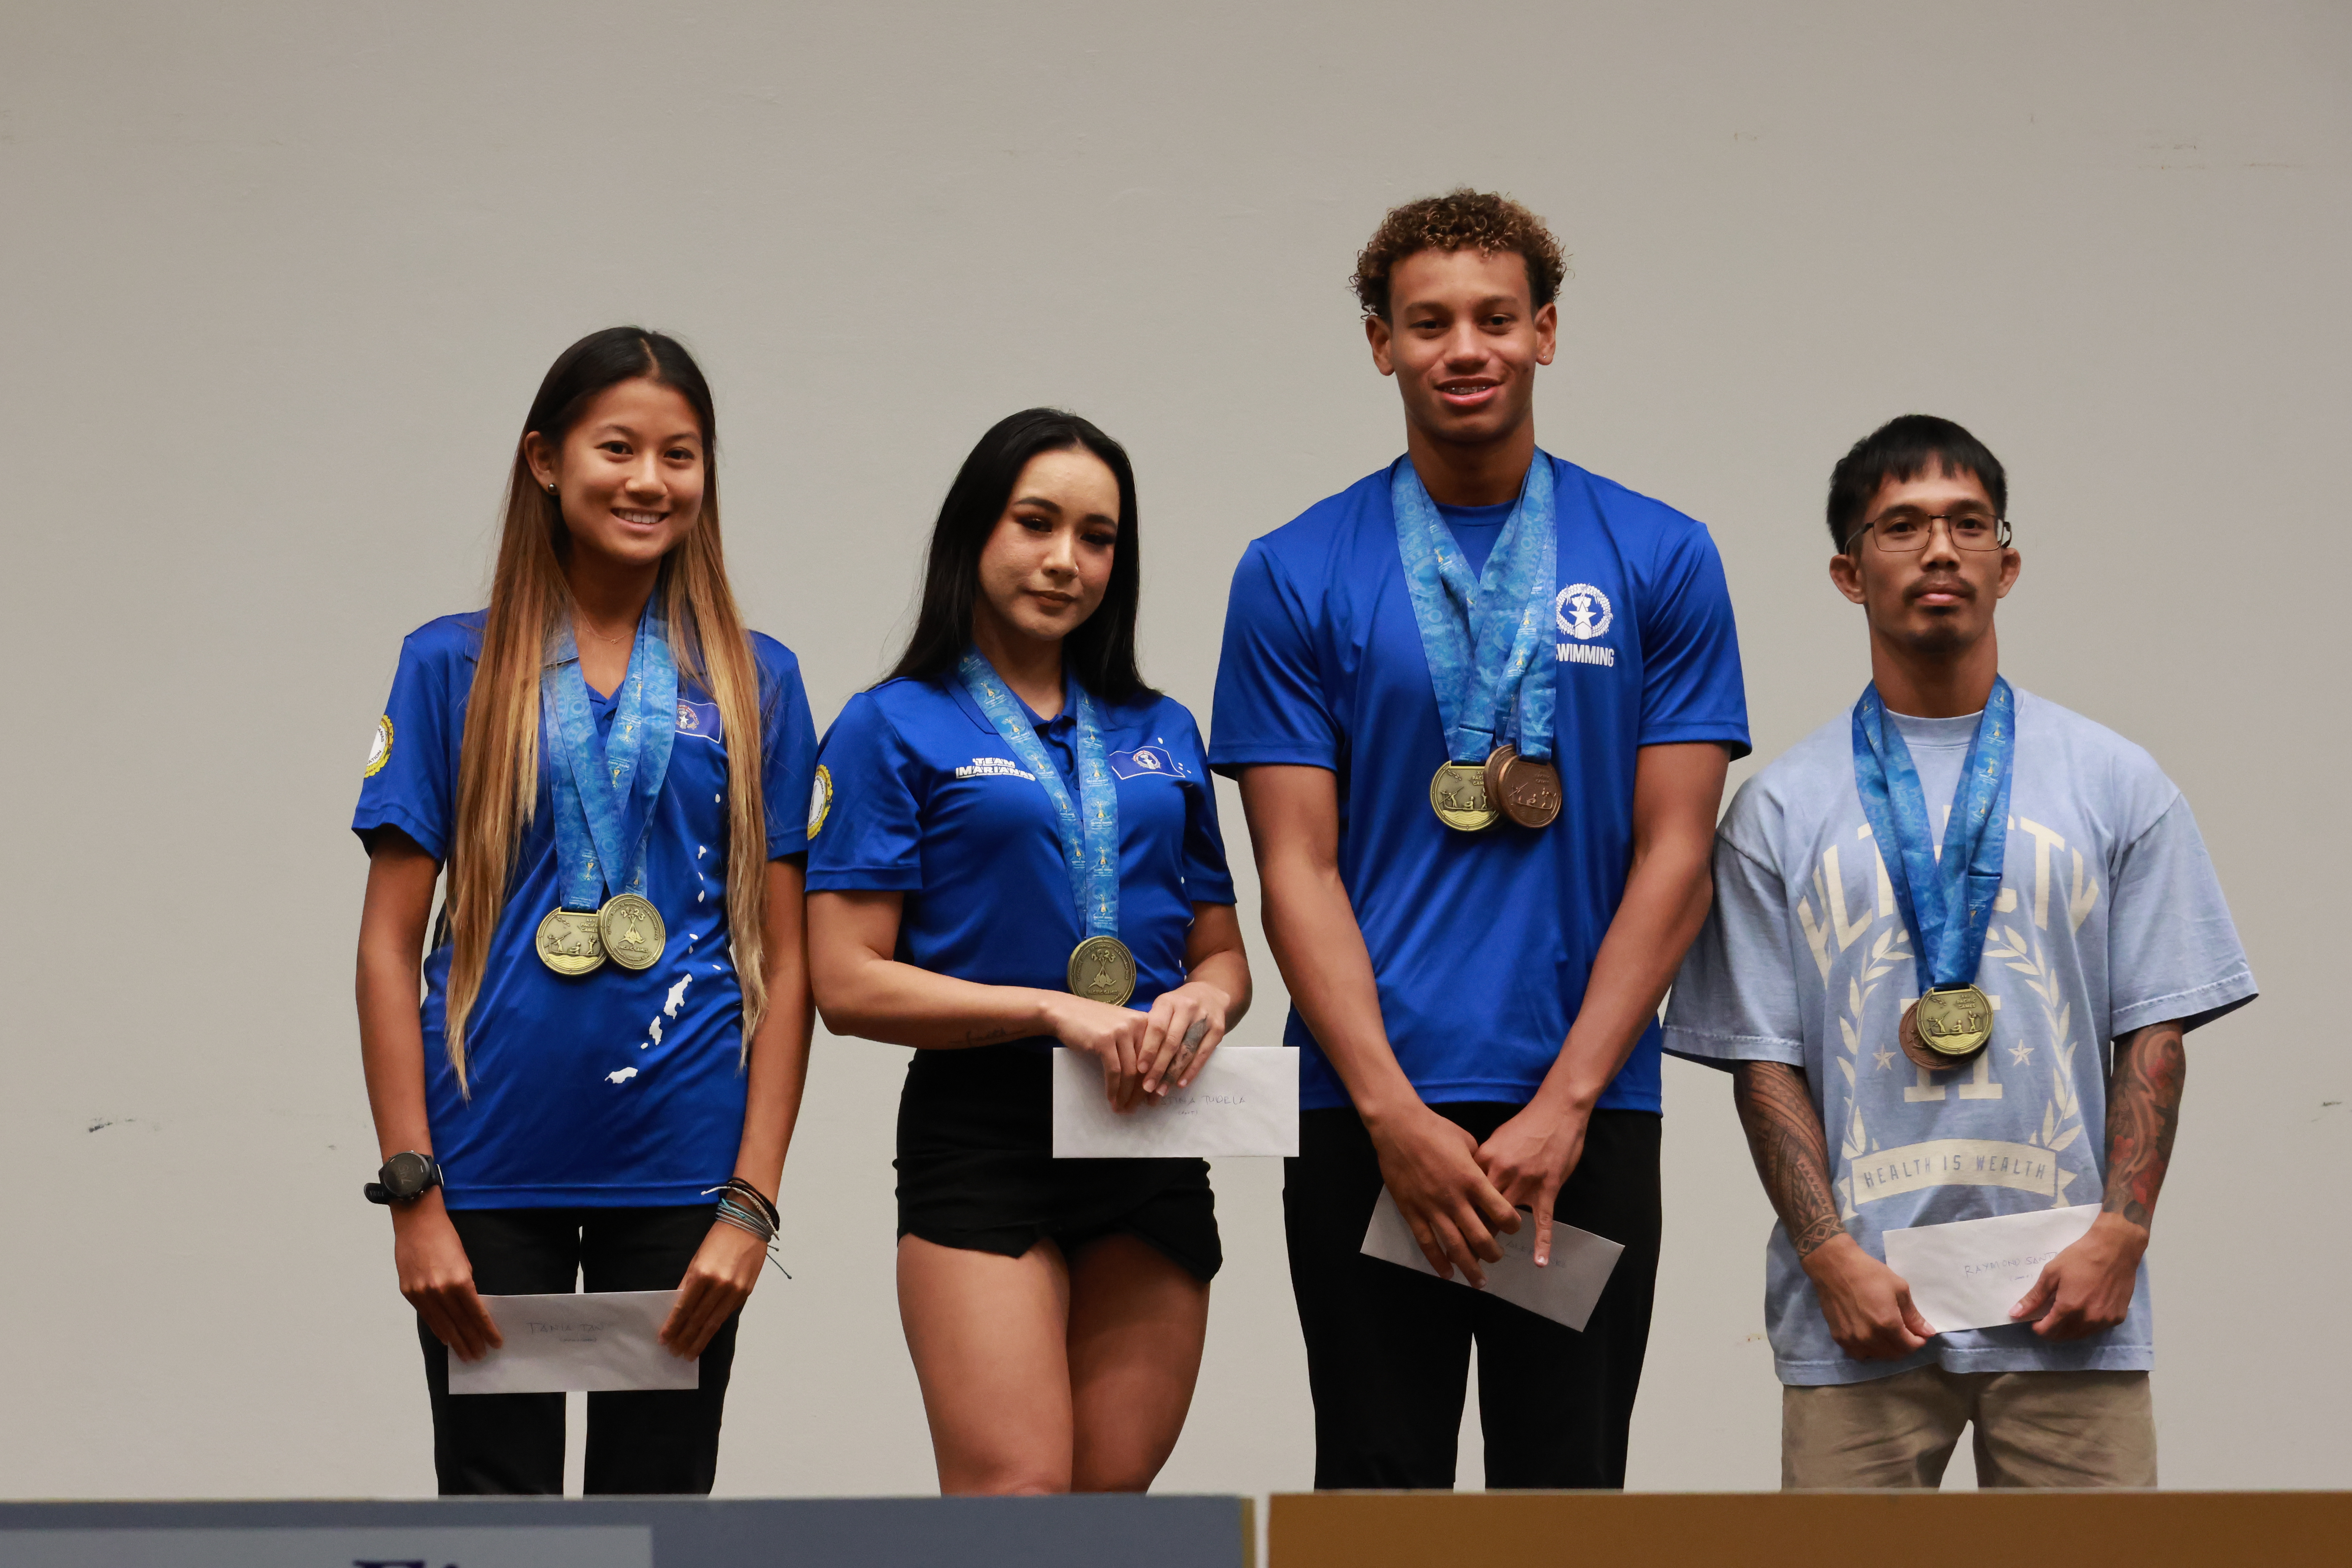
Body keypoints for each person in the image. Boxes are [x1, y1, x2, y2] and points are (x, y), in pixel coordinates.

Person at [1209, 190, 1749, 1489]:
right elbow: (1296, 867)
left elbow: (1677, 857)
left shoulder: (1660, 557)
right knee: (1379, 1485)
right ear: (1380, 343)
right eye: (1430, 321)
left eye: (1496, 319)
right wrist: (1393, 1112)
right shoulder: (1294, 570)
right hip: (1366, 1114)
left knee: (1563, 1496)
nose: (1466, 348)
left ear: (1546, 333)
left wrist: (1562, 1106)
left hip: (1583, 1116)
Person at [1663, 414, 2257, 1488]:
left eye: (1966, 524)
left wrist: (2122, 1234)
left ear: (2007, 562)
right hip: (1860, 1317)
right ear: (1850, 573)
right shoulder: (1778, 812)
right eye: (1902, 526)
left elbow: (2154, 1032)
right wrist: (1831, 1255)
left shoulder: (2117, 785)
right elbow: (1763, 1061)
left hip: (2073, 1309)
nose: (1939, 550)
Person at [352, 327, 819, 1495]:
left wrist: (752, 1205)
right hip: (484, 1167)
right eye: (618, 447)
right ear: (547, 462)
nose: (650, 480)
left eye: (681, 454)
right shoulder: (450, 667)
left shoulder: (759, 681)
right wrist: (413, 1191)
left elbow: (791, 962)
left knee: (656, 1518)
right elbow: (384, 950)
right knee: (496, 1516)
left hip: (683, 1177)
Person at [804, 409, 1252, 1495]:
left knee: (1110, 1515)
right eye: (1036, 523)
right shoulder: (891, 725)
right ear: (976, 534)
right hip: (985, 1131)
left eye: (1097, 537)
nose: (1066, 560)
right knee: (1016, 1507)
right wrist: (1050, 1011)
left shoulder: (1162, 728)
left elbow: (1225, 954)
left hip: (1146, 1129)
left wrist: (1209, 1001)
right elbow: (845, 983)